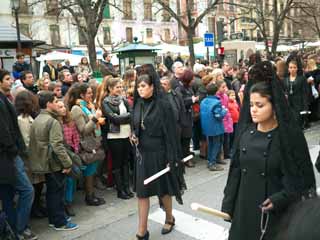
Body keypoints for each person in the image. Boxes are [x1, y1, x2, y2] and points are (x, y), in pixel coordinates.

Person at [222, 61, 316, 240]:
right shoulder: (245, 134)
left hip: (275, 216)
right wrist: (229, 205)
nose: (253, 110)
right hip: (245, 210)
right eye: (251, 105)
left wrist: (279, 198)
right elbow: (236, 172)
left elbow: (300, 181)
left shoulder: (287, 138)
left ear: (274, 107)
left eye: (260, 105)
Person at [132, 65, 185, 239]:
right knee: (142, 192)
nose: (140, 90)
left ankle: (169, 218)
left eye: (143, 86)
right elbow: (136, 125)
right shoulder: (138, 103)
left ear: (152, 86)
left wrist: (172, 157)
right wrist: (134, 136)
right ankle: (142, 230)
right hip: (142, 155)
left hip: (161, 153)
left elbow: (171, 134)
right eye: (138, 87)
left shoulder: (163, 105)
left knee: (163, 191)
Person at [29, 91, 78, 231]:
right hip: (53, 163)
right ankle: (59, 222)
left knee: (52, 192)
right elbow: (58, 146)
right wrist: (67, 163)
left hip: (44, 161)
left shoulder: (38, 118)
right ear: (49, 104)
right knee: (56, 193)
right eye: (56, 101)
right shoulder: (52, 121)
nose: (58, 104)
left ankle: (54, 219)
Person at [0, 69, 37, 240]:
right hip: (8, 156)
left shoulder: (5, 99)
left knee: (8, 195)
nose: (11, 82)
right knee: (27, 190)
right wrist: (14, 150)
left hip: (8, 156)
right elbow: (4, 130)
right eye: (7, 79)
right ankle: (20, 228)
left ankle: (14, 229)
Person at [66, 83, 106, 206]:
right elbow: (83, 130)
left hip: (93, 143)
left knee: (92, 170)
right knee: (89, 172)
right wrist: (95, 119)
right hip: (86, 145)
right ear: (81, 95)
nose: (91, 95)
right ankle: (89, 197)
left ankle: (91, 195)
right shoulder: (76, 109)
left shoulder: (88, 106)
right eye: (88, 93)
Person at [102, 77, 133, 199]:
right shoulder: (106, 102)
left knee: (126, 162)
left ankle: (127, 187)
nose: (120, 89)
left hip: (126, 134)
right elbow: (113, 118)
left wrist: (122, 117)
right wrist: (126, 117)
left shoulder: (123, 99)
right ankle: (120, 190)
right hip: (114, 136)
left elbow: (131, 113)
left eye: (121, 87)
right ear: (110, 88)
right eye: (117, 87)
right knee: (117, 164)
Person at [56, 100, 80, 217]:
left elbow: (75, 137)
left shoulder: (70, 122)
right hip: (59, 154)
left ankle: (68, 202)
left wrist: (75, 150)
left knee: (71, 179)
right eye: (60, 107)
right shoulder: (54, 123)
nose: (63, 109)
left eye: (64, 107)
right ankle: (62, 203)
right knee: (62, 180)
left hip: (70, 153)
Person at [200, 83, 227, 171]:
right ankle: (212, 162)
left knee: (211, 143)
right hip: (215, 127)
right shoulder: (217, 102)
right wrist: (224, 111)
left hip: (206, 127)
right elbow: (218, 115)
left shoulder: (203, 101)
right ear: (216, 91)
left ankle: (210, 161)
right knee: (216, 144)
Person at [175, 69, 198, 168]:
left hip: (189, 117)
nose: (193, 80)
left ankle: (187, 158)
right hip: (183, 118)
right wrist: (192, 100)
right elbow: (181, 102)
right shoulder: (179, 89)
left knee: (187, 139)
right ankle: (185, 160)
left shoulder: (189, 87)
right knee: (184, 139)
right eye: (192, 78)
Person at [283, 60, 309, 129]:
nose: (292, 69)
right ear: (288, 69)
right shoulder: (285, 80)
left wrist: (305, 106)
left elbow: (305, 93)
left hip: (299, 104)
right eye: (291, 67)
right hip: (289, 105)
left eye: (294, 67)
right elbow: (284, 91)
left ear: (297, 68)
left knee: (298, 124)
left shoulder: (302, 79)